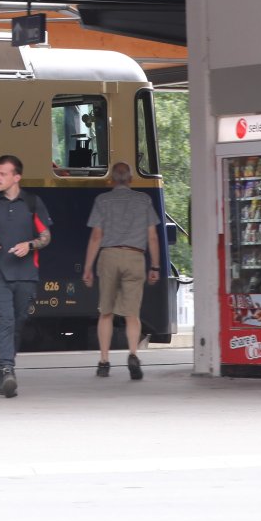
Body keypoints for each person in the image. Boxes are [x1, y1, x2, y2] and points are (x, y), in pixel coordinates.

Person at [0, 155, 51, 398]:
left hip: (26, 273)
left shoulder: (32, 202)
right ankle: (7, 370)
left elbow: (46, 236)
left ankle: (1, 373)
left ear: (16, 177)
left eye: (2, 174)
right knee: (4, 319)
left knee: (18, 322)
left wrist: (29, 245)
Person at [81, 161, 161, 381]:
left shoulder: (102, 200)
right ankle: (133, 355)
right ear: (131, 180)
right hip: (135, 257)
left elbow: (96, 237)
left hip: (109, 256)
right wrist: (155, 266)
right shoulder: (144, 200)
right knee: (132, 314)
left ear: (112, 180)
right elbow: (152, 237)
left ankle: (104, 362)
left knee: (106, 312)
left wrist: (87, 268)